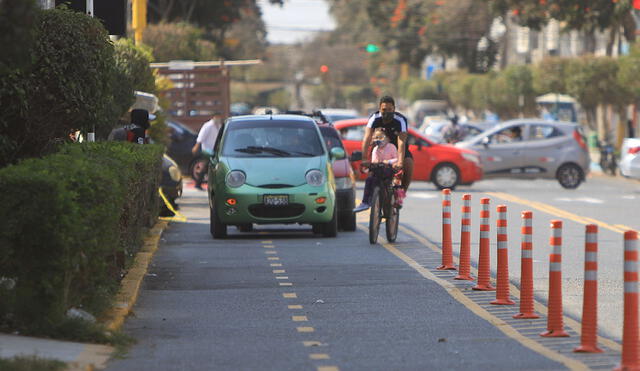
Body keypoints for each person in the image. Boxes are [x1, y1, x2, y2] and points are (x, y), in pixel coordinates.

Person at [362, 95, 414, 191]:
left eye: (390, 109)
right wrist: (364, 158)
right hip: (380, 148)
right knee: (371, 170)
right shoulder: (374, 118)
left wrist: (400, 162)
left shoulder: (400, 120)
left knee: (408, 163)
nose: (387, 112)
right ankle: (371, 197)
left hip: (397, 148)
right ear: (380, 109)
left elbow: (401, 141)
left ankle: (401, 193)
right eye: (384, 110)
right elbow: (367, 137)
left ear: (394, 109)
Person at [354, 128, 401, 212]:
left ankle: (394, 200)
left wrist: (388, 161)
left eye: (381, 137)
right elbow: (374, 161)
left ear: (388, 138)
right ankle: (365, 202)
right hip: (378, 170)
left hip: (388, 170)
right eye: (376, 137)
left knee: (393, 183)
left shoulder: (392, 147)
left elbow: (397, 159)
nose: (378, 140)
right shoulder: (375, 149)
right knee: (369, 180)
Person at [192, 112, 224, 190]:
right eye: (217, 117)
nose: (218, 118)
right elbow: (201, 137)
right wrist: (196, 146)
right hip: (207, 150)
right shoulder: (208, 126)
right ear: (213, 117)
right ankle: (198, 183)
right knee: (204, 166)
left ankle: (207, 184)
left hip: (215, 150)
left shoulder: (219, 126)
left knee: (209, 167)